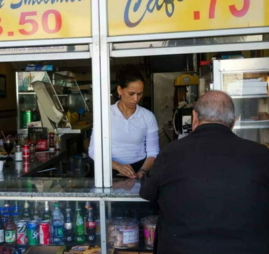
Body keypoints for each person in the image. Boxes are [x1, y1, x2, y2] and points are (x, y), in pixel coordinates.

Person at [140, 91, 269, 254]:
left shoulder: (170, 153)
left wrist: (143, 174)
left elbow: (147, 193)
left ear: (194, 118)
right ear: (233, 122)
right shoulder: (261, 154)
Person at [88, 66, 159, 178]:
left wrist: (143, 171)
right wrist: (118, 166)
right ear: (119, 90)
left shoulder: (148, 117)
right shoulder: (105, 114)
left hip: (139, 168)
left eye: (139, 94)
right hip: (109, 168)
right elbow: (93, 151)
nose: (136, 99)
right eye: (131, 94)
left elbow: (153, 152)